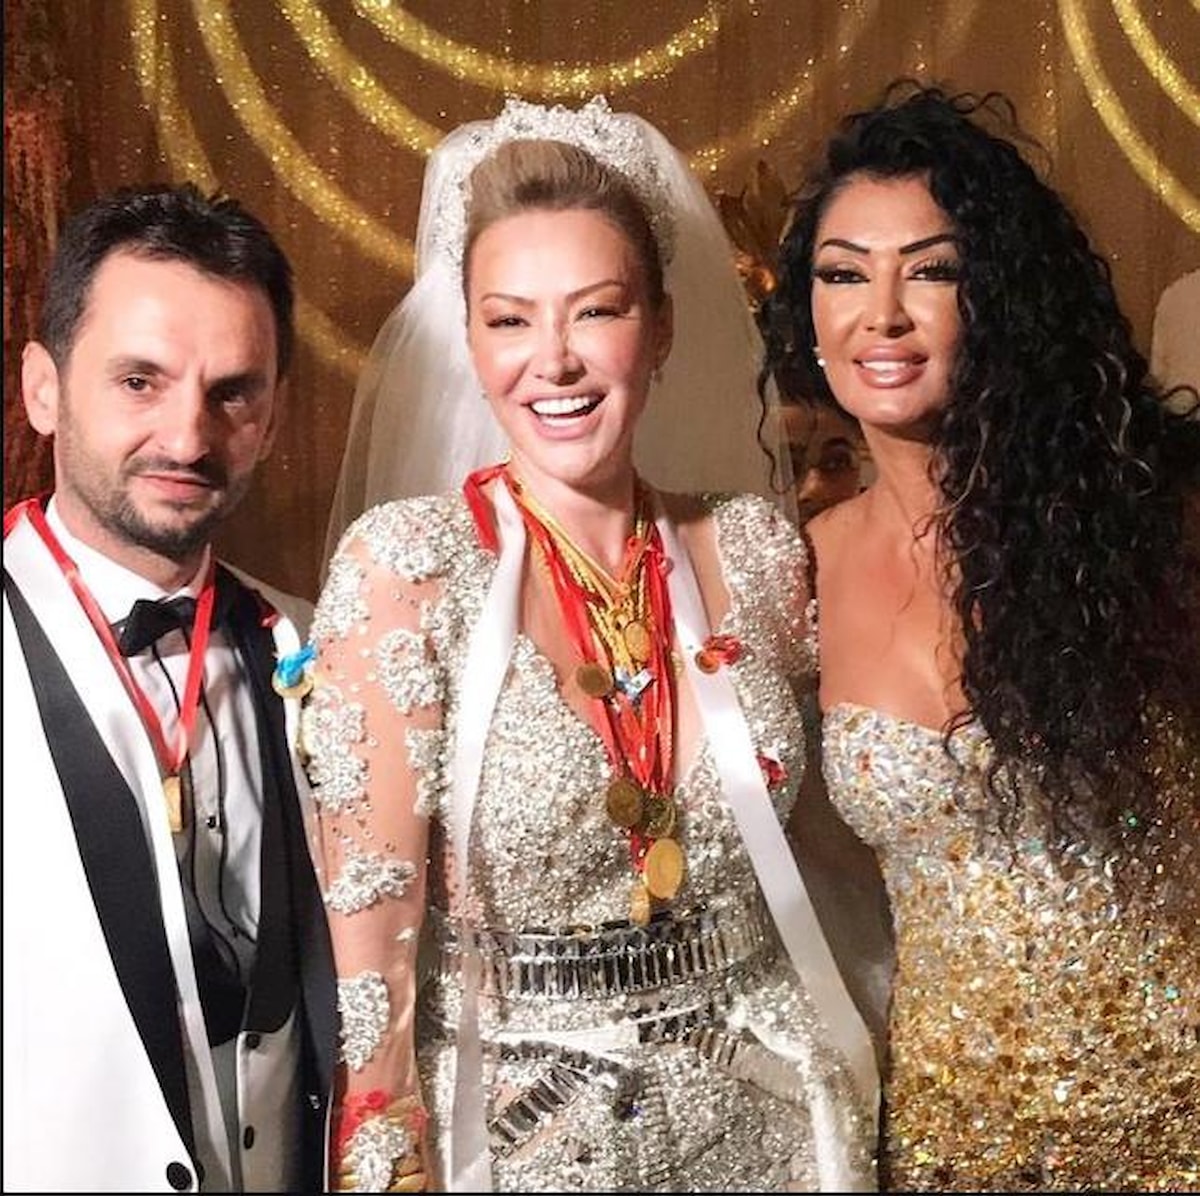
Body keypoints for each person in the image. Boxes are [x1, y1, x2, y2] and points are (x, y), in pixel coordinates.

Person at [304, 97, 880, 1192]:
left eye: (597, 311)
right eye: (510, 320)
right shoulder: (407, 573)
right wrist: (389, 1159)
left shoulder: (755, 546)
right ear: (469, 340)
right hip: (521, 1140)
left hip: (777, 1125)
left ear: (660, 329)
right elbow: (371, 969)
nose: (554, 361)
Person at [759, 81, 1200, 1191]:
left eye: (932, 270)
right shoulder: (796, 569)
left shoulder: (1155, 518)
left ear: (1002, 293)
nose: (882, 314)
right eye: (843, 273)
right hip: (950, 1140)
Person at [2, 183, 336, 1192]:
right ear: (44, 388)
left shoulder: (317, 641)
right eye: (139, 381)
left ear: (272, 416)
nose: (188, 439)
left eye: (232, 392)